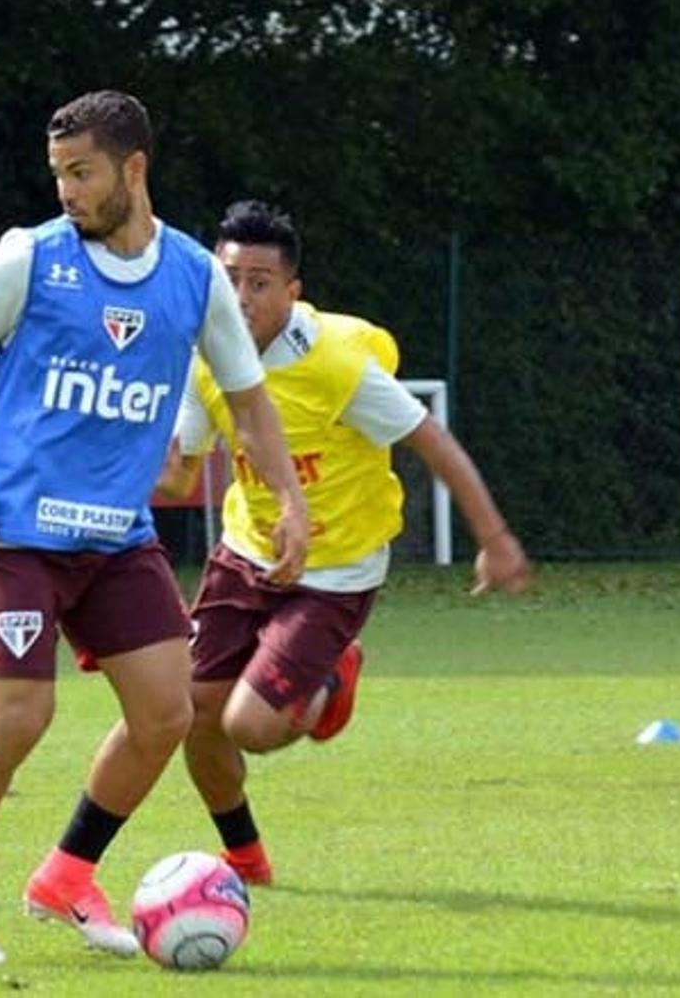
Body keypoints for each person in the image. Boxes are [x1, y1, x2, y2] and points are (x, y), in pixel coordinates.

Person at [0, 91, 310, 964]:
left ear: (133, 169)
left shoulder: (195, 277)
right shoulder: (30, 258)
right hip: (14, 531)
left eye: (81, 172)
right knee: (22, 714)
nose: (65, 190)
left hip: (115, 535)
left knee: (167, 713)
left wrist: (288, 498)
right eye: (58, 173)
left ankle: (64, 874)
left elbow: (248, 400)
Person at [157, 200, 532, 885]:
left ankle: (332, 675)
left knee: (249, 725)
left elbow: (432, 441)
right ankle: (244, 854)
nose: (241, 296)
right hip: (245, 554)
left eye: (260, 281)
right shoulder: (202, 356)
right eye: (230, 276)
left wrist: (495, 537)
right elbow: (180, 467)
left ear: (291, 291)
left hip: (336, 572)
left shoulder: (333, 365)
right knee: (193, 714)